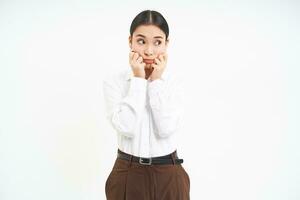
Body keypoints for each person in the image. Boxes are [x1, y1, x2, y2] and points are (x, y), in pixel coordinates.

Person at [102, 9, 190, 200]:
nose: (149, 51)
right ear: (130, 41)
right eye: (141, 41)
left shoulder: (175, 83)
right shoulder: (114, 82)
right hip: (127, 174)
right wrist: (139, 80)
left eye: (157, 42)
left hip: (169, 174)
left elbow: (166, 129)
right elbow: (126, 127)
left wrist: (156, 82)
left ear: (167, 44)